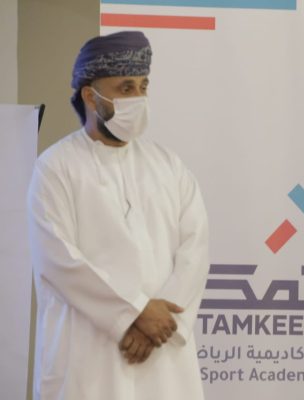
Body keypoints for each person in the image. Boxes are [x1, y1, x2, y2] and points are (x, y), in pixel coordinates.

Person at [27, 31, 209, 400]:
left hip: (163, 350)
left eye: (143, 86)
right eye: (126, 88)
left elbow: (196, 247)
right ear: (90, 96)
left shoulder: (168, 165)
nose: (138, 98)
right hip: (89, 353)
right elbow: (58, 260)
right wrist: (134, 313)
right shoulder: (56, 167)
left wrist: (160, 321)